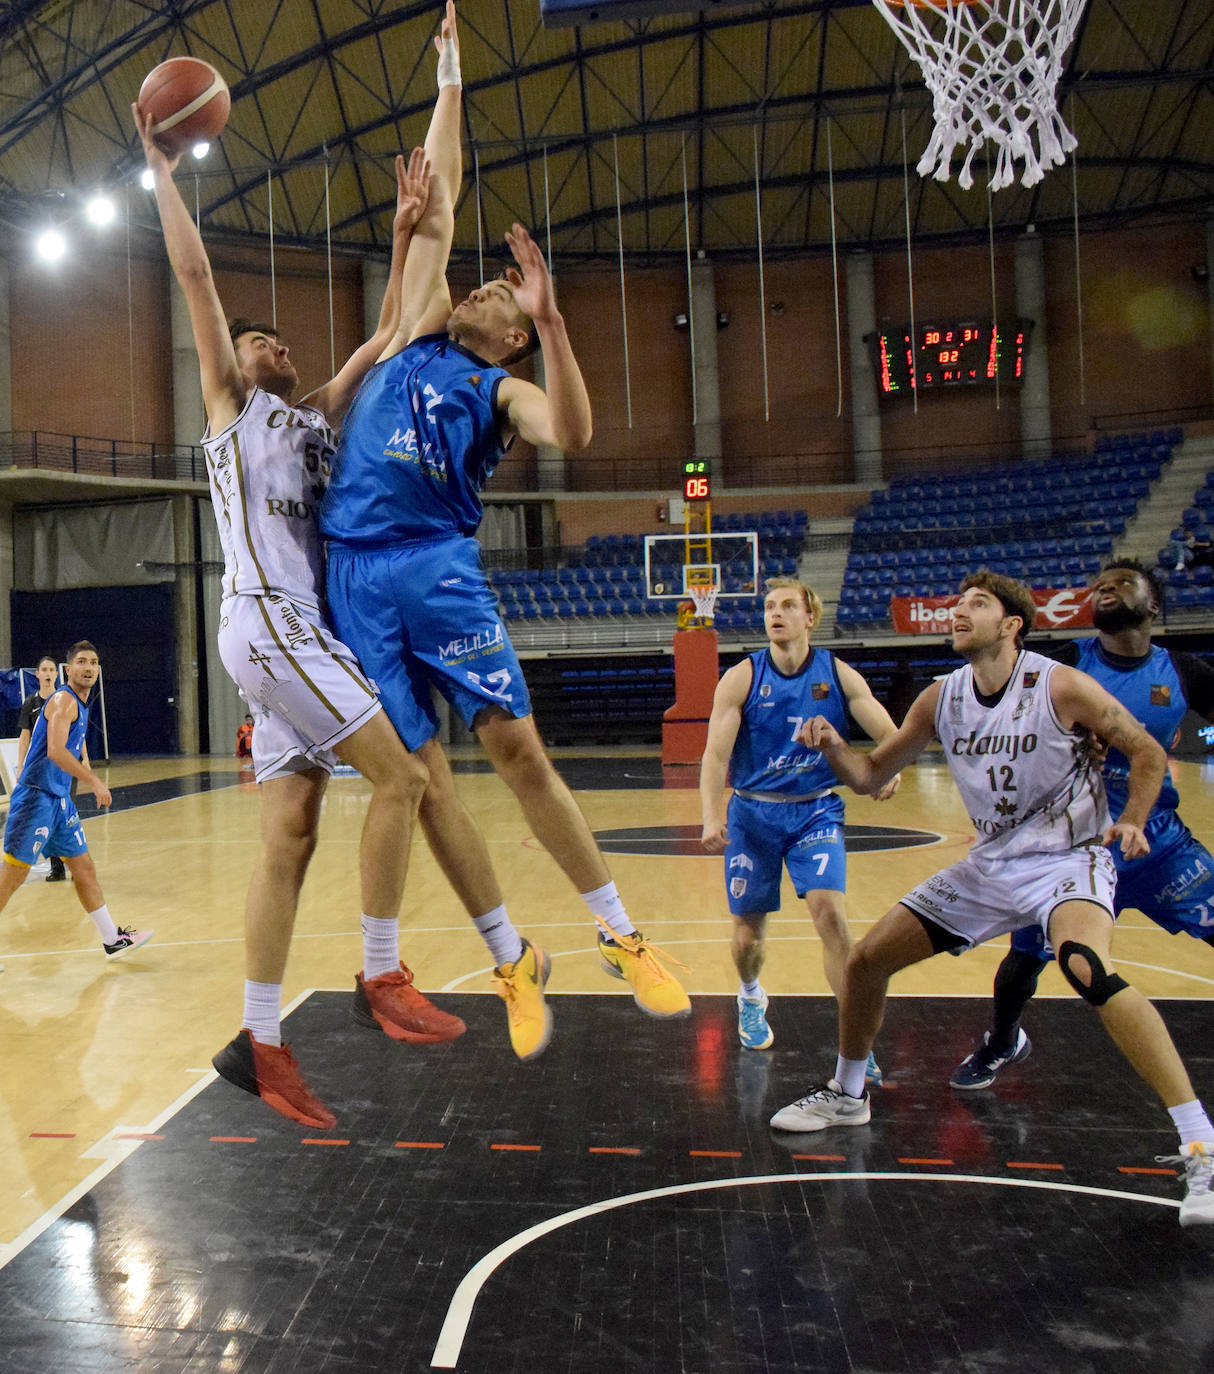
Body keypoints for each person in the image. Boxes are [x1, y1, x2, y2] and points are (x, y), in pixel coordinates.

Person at [320, 1, 689, 1063]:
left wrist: (558, 318)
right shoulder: (408, 332)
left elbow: (572, 433)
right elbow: (434, 206)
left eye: (496, 291)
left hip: (434, 565)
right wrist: (448, 83)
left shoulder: (503, 386)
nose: (476, 282)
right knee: (420, 781)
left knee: (517, 749)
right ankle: (510, 958)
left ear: (513, 330)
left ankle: (619, 934)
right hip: (353, 576)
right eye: (475, 281)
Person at [136, 104, 458, 1132]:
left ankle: (259, 1038)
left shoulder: (312, 415)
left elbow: (386, 336)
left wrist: (406, 236)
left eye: (277, 338)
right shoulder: (233, 411)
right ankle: (378, 975)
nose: (272, 343)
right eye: (258, 338)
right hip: (270, 623)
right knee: (405, 774)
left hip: (290, 637)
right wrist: (162, 176)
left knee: (289, 834)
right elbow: (194, 282)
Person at [768, 570, 1214, 1227]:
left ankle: (1200, 1144)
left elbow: (1146, 752)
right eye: (955, 603)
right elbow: (870, 777)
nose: (957, 612)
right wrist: (836, 747)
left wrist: (1134, 819)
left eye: (974, 604)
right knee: (864, 963)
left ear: (1010, 625)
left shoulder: (1059, 683)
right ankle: (849, 1090)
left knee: (1085, 966)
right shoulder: (938, 698)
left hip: (1071, 857)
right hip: (990, 866)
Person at [950, 558, 1214, 1090]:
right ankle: (1002, 1043)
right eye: (1100, 585)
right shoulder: (1065, 662)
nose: (1106, 589)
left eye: (1122, 584)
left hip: (1156, 840)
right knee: (1023, 962)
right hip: (1070, 845)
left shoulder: (1185, 672)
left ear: (1153, 605)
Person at [700, 576, 900, 1077]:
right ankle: (750, 996)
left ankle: (856, 1041)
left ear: (811, 617)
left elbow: (891, 731)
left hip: (815, 808)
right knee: (749, 937)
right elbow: (715, 753)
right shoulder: (743, 676)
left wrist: (889, 767)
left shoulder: (838, 673)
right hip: (753, 812)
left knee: (830, 916)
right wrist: (710, 814)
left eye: (788, 605)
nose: (776, 613)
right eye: (770, 606)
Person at [0, 642, 151, 963]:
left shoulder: (81, 705)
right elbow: (55, 751)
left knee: (84, 867)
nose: (88, 667)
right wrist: (94, 780)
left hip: (58, 801)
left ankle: (112, 939)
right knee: (12, 877)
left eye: (94, 662)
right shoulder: (62, 701)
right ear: (68, 670)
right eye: (81, 662)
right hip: (35, 798)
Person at [16, 655, 67, 881]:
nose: (47, 673)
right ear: (36, 674)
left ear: (57, 674)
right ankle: (58, 865)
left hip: (63, 767)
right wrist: (21, 765)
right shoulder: (31, 703)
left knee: (64, 815)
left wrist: (83, 758)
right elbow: (24, 735)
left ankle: (74, 859)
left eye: (51, 669)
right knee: (45, 815)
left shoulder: (65, 700)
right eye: (43, 669)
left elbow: (78, 733)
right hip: (39, 768)